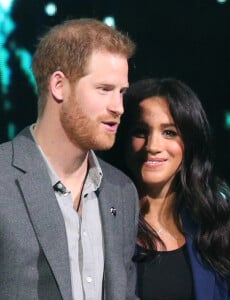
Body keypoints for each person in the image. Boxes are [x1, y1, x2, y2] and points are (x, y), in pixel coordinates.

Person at [0, 18, 139, 300]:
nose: (119, 107)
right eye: (104, 89)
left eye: (122, 92)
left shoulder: (122, 191)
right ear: (59, 86)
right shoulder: (3, 178)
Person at [103, 78, 230, 299]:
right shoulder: (101, 217)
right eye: (140, 131)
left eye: (169, 132)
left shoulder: (220, 219)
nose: (153, 146)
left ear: (190, 142)